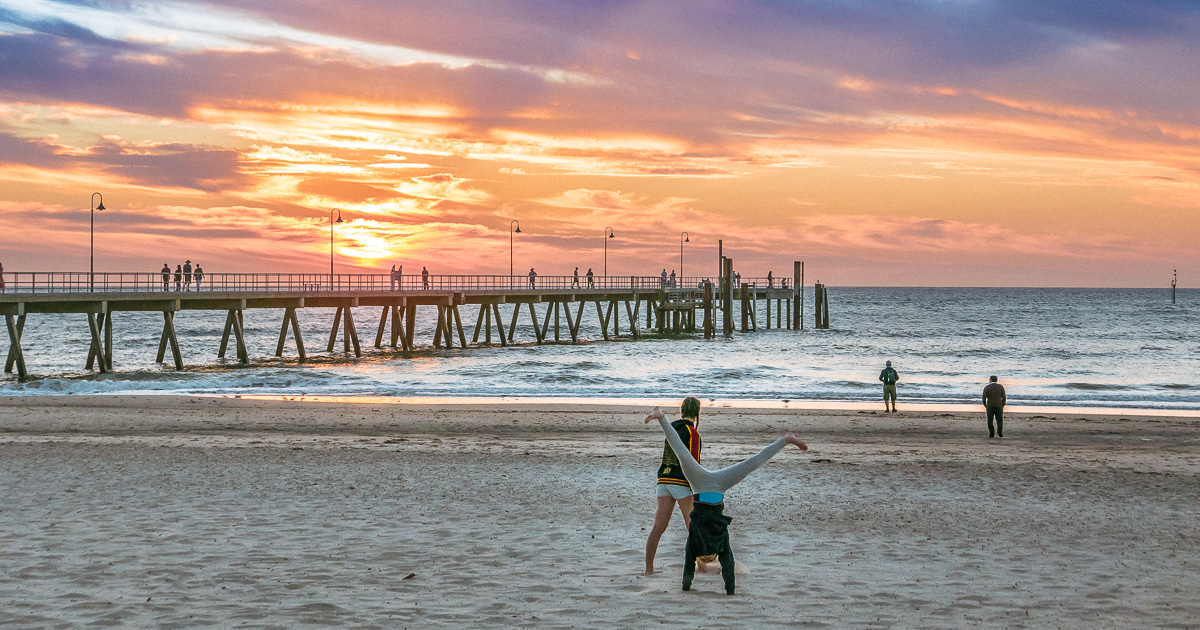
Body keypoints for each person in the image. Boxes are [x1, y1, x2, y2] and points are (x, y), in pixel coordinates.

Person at [645, 406, 808, 595]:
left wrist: (686, 587)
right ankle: (785, 439)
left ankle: (661, 417)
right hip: (713, 484)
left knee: (684, 453)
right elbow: (724, 565)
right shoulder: (717, 543)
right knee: (749, 464)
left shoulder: (697, 543)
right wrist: (729, 590)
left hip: (699, 482)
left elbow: (689, 568)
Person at [644, 396, 703, 575]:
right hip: (681, 483)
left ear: (681, 410)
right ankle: (701, 566)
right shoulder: (693, 433)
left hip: (663, 480)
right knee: (693, 526)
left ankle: (649, 570)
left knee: (658, 528)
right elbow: (693, 463)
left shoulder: (672, 428)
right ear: (697, 413)